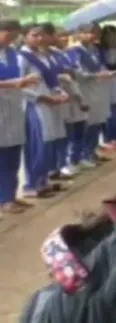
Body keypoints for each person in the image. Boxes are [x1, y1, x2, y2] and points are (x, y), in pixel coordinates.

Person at [18, 23, 68, 198]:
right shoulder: (22, 57)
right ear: (24, 36)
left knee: (49, 143)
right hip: (35, 106)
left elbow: (52, 80)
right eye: (34, 35)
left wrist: (59, 92)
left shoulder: (42, 55)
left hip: (50, 103)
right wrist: (42, 97)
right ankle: (31, 185)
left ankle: (43, 180)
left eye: (41, 35)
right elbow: (19, 86)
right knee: (38, 144)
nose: (39, 38)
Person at [0, 19, 37, 215]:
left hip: (13, 107)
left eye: (15, 35)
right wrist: (16, 82)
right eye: (9, 34)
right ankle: (4, 199)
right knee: (2, 157)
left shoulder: (13, 52)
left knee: (14, 154)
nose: (12, 38)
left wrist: (22, 82)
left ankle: (10, 196)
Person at [67, 23, 114, 169]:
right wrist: (95, 74)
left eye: (94, 33)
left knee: (98, 121)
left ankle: (91, 151)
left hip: (99, 88)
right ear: (79, 34)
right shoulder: (75, 51)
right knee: (88, 122)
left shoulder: (95, 49)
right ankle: (82, 155)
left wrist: (104, 72)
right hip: (85, 89)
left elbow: (100, 65)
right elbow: (77, 72)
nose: (91, 36)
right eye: (87, 33)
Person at [48, 26, 89, 177]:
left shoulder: (68, 53)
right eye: (60, 36)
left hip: (76, 93)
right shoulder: (52, 55)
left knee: (80, 128)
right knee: (67, 133)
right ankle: (63, 163)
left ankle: (77, 159)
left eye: (66, 36)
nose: (64, 39)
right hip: (64, 96)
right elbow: (62, 74)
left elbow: (75, 72)